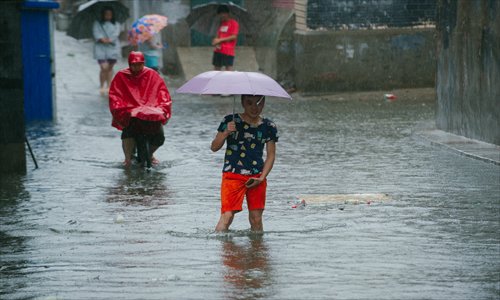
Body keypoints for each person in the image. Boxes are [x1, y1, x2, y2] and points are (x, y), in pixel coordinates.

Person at [211, 95, 278, 232]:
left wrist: (261, 178)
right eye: (249, 103)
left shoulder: (269, 126)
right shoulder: (230, 120)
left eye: (259, 103)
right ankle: (222, 250)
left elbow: (271, 155)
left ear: (264, 102)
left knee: (256, 218)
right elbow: (214, 147)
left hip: (257, 176)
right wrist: (226, 133)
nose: (254, 107)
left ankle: (257, 251)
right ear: (242, 102)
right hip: (233, 175)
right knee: (227, 216)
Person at [109, 51, 172, 166]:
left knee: (159, 137)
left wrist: (162, 109)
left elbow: (162, 93)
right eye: (134, 64)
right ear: (129, 64)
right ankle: (127, 158)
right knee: (128, 133)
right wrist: (122, 109)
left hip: (151, 113)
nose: (137, 67)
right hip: (131, 113)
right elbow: (115, 96)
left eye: (140, 64)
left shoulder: (152, 75)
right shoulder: (121, 76)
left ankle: (150, 153)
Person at [93, 6, 121, 95]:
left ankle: (108, 86)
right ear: (103, 15)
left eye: (110, 14)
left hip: (113, 48)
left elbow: (116, 34)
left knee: (110, 68)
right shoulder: (97, 23)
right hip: (100, 48)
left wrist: (110, 39)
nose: (108, 16)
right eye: (106, 14)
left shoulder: (116, 24)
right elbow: (96, 33)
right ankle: (102, 85)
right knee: (103, 67)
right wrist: (101, 39)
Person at [212, 5, 239, 71]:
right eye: (220, 14)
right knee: (216, 71)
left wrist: (220, 40)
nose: (222, 15)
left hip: (228, 51)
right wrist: (215, 41)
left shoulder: (234, 23)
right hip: (218, 50)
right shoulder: (221, 23)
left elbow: (234, 36)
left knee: (228, 71)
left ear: (227, 13)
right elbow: (219, 35)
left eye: (223, 13)